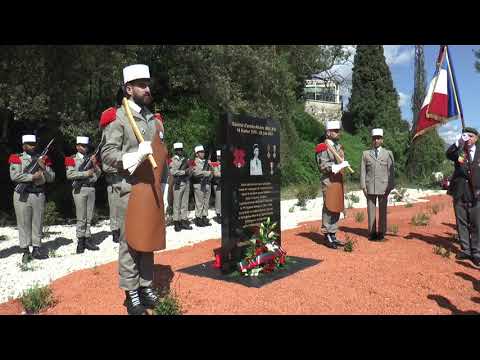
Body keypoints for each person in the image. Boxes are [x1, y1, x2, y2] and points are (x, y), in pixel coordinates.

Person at [101, 64, 169, 315]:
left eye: (148, 84)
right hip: (128, 189)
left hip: (150, 189)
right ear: (128, 89)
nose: (147, 88)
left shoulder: (154, 120)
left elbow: (163, 158)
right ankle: (131, 292)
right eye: (141, 84)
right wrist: (132, 157)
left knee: (147, 239)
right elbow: (107, 155)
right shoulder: (117, 117)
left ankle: (146, 286)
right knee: (130, 242)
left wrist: (165, 189)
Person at [9, 134, 55, 263]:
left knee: (38, 222)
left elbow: (51, 177)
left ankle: (36, 248)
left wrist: (44, 167)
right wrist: (32, 177)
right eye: (29, 144)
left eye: (34, 144)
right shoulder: (17, 158)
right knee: (23, 223)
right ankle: (25, 251)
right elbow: (15, 176)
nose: (32, 146)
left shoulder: (43, 159)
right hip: (22, 195)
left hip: (38, 194)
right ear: (24, 146)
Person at [446, 127, 480, 267]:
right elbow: (448, 154)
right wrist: (458, 142)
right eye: (466, 136)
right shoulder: (460, 151)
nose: (469, 139)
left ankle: (477, 252)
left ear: (476, 138)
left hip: (476, 193)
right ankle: (466, 249)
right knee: (462, 222)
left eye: (471, 136)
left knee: (477, 224)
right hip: (460, 191)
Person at [316, 121, 350, 249]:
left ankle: (333, 233)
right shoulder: (322, 147)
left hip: (338, 179)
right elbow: (323, 166)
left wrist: (342, 166)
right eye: (335, 130)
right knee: (329, 207)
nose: (338, 132)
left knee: (337, 206)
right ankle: (327, 234)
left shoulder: (339, 146)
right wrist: (339, 165)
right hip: (329, 180)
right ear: (328, 132)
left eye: (338, 130)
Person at [65, 136, 102, 253]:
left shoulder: (91, 158)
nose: (85, 148)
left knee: (89, 217)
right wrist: (87, 173)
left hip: (90, 188)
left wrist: (95, 164)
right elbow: (70, 175)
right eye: (82, 146)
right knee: (81, 217)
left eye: (86, 146)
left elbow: (99, 174)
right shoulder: (71, 159)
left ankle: (87, 239)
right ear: (77, 146)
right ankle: (80, 241)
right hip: (79, 189)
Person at [360, 128, 395, 241]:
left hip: (383, 187)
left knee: (383, 211)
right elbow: (363, 171)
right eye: (374, 138)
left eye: (378, 138)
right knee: (371, 211)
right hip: (370, 186)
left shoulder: (388, 154)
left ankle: (382, 232)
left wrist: (390, 186)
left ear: (382, 140)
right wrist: (363, 186)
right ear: (372, 140)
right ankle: (372, 232)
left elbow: (391, 172)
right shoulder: (365, 154)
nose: (376, 140)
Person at [99, 91, 123, 243]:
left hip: (127, 172)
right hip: (115, 172)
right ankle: (115, 230)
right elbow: (108, 149)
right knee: (115, 205)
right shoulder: (113, 117)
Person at [169, 142, 193, 232]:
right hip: (178, 183)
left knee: (184, 203)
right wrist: (184, 172)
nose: (180, 151)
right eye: (178, 150)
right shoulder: (173, 160)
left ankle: (183, 221)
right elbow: (173, 172)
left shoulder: (185, 159)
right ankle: (176, 222)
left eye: (181, 149)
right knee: (177, 203)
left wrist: (189, 171)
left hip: (186, 183)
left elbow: (188, 170)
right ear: (175, 151)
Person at [192, 145, 212, 227]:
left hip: (207, 184)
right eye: (201, 152)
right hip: (199, 184)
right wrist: (206, 173)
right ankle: (198, 218)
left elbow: (212, 172)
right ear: (196, 154)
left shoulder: (207, 162)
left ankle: (204, 217)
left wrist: (211, 167)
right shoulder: (194, 162)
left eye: (203, 152)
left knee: (206, 202)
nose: (203, 153)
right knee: (199, 202)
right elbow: (196, 173)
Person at [212, 150, 222, 224]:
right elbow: (216, 174)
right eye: (219, 156)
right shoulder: (215, 164)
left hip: (224, 184)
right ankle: (218, 216)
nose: (220, 157)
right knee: (218, 201)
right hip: (217, 184)